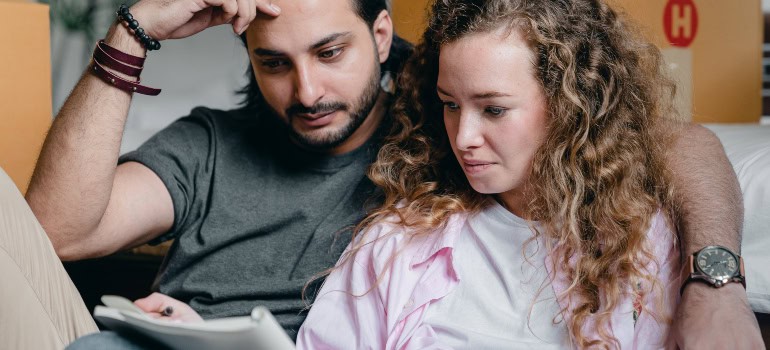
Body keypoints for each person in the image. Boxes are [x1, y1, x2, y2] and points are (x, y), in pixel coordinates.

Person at [0, 0, 760, 348]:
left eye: (330, 53)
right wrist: (134, 33)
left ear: (381, 33)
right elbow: (56, 234)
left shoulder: (434, 125)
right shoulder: (211, 145)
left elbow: (674, 142)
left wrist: (716, 283)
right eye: (274, 63)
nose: (307, 92)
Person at [295, 0, 764, 348]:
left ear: (570, 105)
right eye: (450, 105)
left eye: (494, 109)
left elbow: (690, 141)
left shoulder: (648, 245)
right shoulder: (396, 245)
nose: (464, 137)